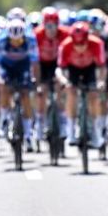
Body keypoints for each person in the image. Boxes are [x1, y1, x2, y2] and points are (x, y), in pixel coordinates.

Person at [56, 21, 107, 148]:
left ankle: (95, 132)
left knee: (93, 95)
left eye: (82, 44)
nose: (79, 47)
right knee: (71, 92)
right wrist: (64, 81)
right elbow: (60, 69)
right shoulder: (65, 45)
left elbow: (102, 67)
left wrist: (101, 81)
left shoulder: (97, 43)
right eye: (76, 44)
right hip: (73, 69)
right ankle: (71, 131)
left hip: (90, 68)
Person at [0, 19, 40, 152]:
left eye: (19, 41)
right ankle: (4, 119)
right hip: (6, 67)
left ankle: (29, 133)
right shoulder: (1, 40)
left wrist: (35, 79)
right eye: (13, 40)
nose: (16, 43)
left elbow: (35, 62)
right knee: (4, 88)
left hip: (23, 66)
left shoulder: (30, 40)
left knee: (25, 95)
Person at [34, 8, 70, 140]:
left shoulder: (65, 33)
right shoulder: (37, 34)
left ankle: (63, 121)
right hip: (41, 64)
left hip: (58, 63)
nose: (51, 29)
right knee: (41, 92)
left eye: (54, 25)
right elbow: (33, 58)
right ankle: (39, 123)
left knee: (59, 91)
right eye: (48, 26)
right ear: (44, 25)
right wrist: (37, 81)